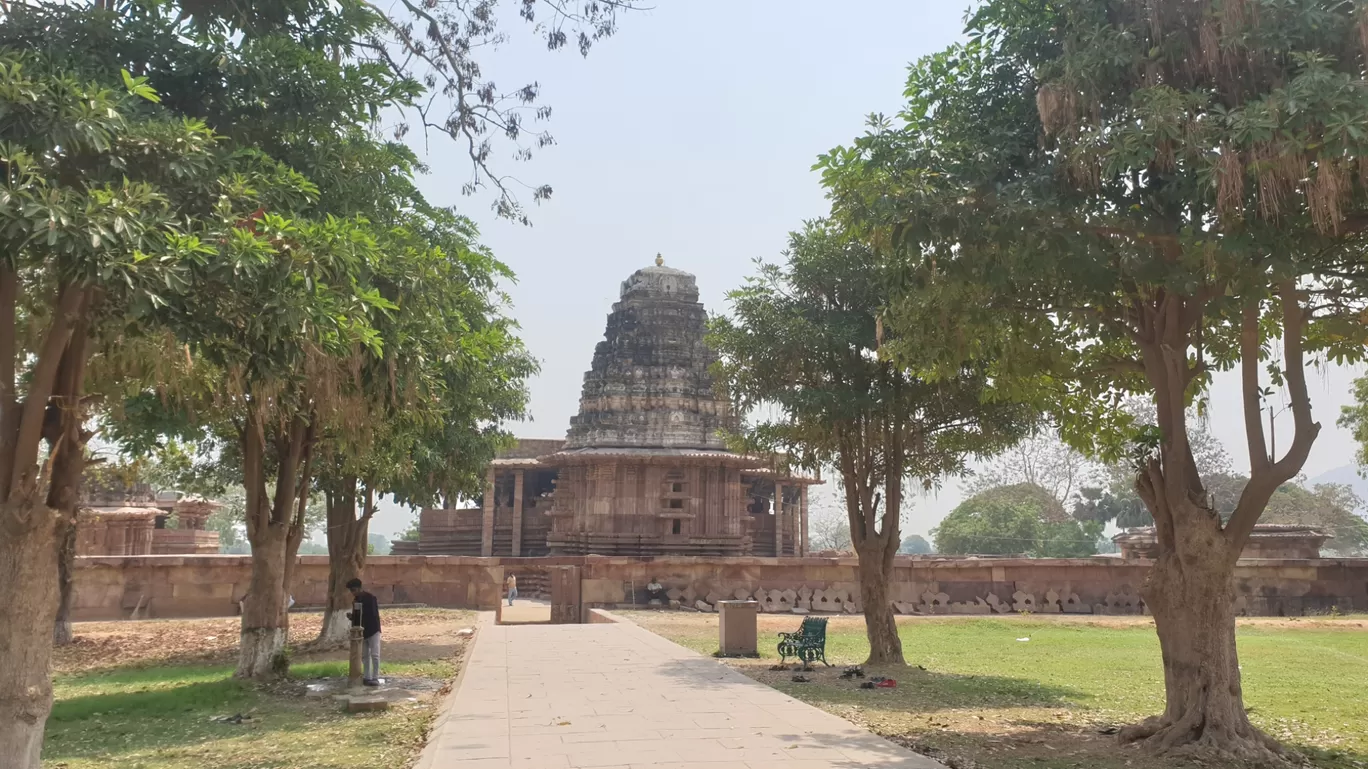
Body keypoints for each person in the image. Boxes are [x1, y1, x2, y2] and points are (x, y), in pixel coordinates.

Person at [346, 578, 382, 686]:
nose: (352, 593)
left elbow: (373, 615)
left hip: (373, 629)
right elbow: (358, 617)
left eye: (353, 590)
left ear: (358, 588)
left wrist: (360, 617)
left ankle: (375, 677)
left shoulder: (370, 598)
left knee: (375, 654)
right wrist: (352, 617)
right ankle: (367, 677)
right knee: (365, 655)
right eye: (351, 591)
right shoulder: (356, 600)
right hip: (362, 631)